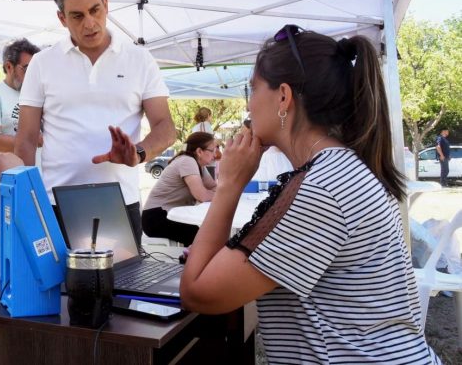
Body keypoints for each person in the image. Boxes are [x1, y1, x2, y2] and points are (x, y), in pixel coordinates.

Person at [180, 25, 440, 364]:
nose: (249, 105)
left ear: (283, 97)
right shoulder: (337, 170)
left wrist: (229, 185)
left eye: (252, 89)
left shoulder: (323, 189)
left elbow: (198, 293)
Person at [15, 0, 175, 239]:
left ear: (106, 4)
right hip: (55, 203)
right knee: (56, 269)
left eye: (95, 10)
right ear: (62, 18)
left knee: (121, 269)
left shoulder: (139, 59)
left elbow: (165, 127)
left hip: (119, 202)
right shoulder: (42, 63)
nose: (89, 23)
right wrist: (28, 200)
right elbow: (26, 139)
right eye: (77, 16)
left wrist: (138, 153)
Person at [0, 38, 41, 218]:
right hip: (3, 182)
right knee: (7, 231)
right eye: (27, 69)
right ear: (8, 67)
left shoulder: (34, 95)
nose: (32, 75)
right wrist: (31, 140)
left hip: (33, 179)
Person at [141, 132, 217, 245]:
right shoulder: (187, 161)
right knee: (201, 235)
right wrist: (223, 195)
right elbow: (202, 195)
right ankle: (192, 256)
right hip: (156, 217)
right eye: (213, 150)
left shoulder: (199, 165)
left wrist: (216, 193)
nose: (215, 154)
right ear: (199, 151)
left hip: (168, 215)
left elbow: (214, 187)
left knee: (205, 232)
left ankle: (190, 255)